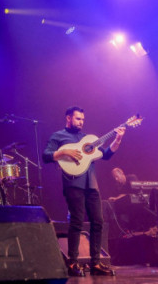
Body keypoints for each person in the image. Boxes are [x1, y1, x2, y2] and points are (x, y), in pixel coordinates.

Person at [43, 106, 125, 277]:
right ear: (68, 118)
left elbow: (107, 154)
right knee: (77, 221)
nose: (81, 122)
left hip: (92, 184)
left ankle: (96, 263)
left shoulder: (88, 139)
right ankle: (72, 262)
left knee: (98, 222)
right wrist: (63, 151)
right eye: (78, 119)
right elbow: (46, 155)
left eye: (83, 120)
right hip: (73, 183)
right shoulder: (58, 136)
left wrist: (117, 140)